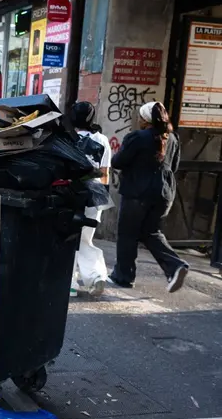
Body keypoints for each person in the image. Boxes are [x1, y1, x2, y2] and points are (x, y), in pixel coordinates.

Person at [109, 101, 189, 293]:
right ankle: (175, 265)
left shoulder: (137, 137)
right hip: (164, 194)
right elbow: (174, 167)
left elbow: (118, 162)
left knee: (128, 234)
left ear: (145, 119)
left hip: (138, 192)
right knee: (151, 232)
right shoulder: (173, 139)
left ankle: (124, 276)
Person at [69, 101, 111, 298]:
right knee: (85, 238)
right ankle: (95, 276)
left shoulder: (68, 138)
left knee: (67, 239)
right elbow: (104, 174)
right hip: (94, 193)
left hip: (68, 192)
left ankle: (70, 283)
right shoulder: (102, 140)